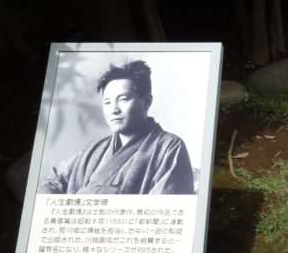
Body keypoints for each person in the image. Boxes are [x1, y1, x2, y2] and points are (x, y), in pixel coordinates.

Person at [38, 60, 195, 194]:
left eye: (123, 99)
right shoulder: (94, 150)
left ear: (147, 102)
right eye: (107, 102)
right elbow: (52, 182)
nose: (114, 109)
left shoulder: (169, 147)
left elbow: (167, 209)